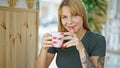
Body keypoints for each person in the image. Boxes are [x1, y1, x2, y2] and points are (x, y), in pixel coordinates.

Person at [35, 0, 106, 68]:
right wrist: (43, 49)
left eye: (74, 15)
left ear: (83, 15)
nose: (69, 22)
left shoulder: (98, 40)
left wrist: (81, 49)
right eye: (64, 17)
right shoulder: (58, 39)